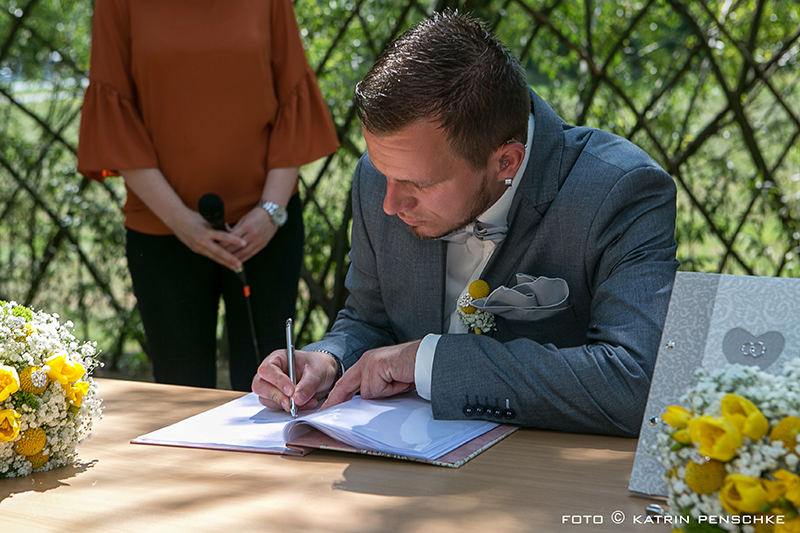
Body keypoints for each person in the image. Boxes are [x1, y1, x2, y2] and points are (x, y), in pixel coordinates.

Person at [252, 11, 678, 437]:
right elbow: (370, 320)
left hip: (538, 467)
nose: (390, 203)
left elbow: (637, 382)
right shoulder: (381, 177)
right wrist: (330, 360)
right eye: (384, 175)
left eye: (420, 184)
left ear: (505, 162)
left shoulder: (618, 191)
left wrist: (429, 361)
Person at [77, 0, 339, 391]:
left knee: (272, 391)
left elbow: (293, 94)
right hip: (163, 233)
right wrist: (182, 222)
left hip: (265, 231)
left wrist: (270, 211)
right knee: (180, 393)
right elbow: (115, 115)